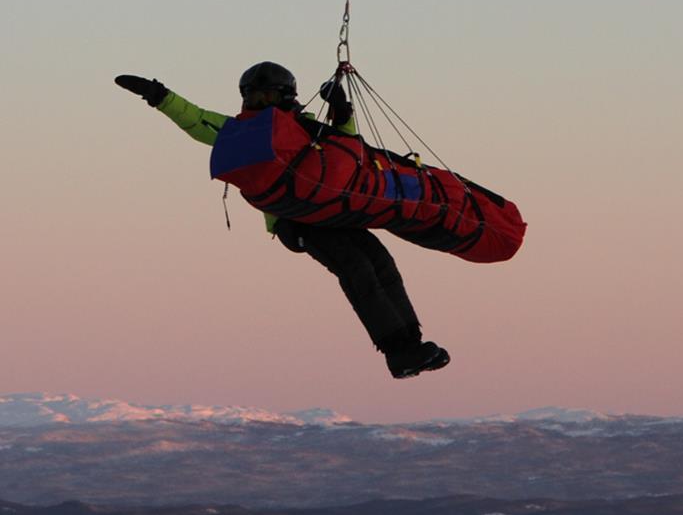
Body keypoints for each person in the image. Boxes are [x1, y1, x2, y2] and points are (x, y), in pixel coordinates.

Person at [115, 62, 450, 379]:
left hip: (331, 212)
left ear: (286, 95)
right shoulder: (244, 132)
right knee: (355, 267)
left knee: (380, 262)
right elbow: (198, 120)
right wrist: (160, 97)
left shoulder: (303, 127)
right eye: (253, 97)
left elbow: (346, 149)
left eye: (268, 96)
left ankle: (411, 344)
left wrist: (342, 110)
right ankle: (398, 351)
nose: (260, 103)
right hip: (296, 222)